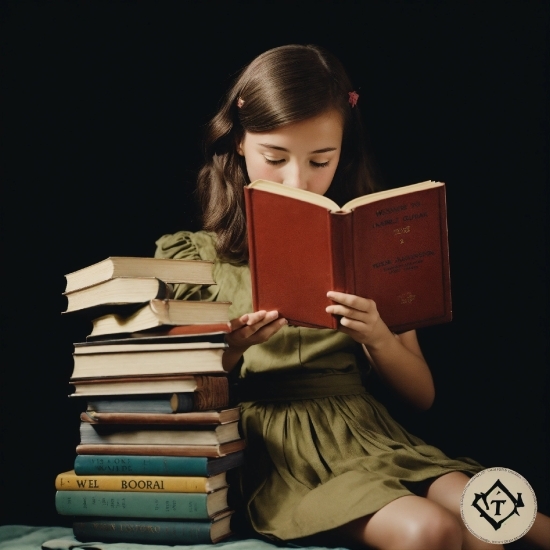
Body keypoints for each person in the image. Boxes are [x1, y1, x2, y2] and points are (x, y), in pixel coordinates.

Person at [155, 45, 550, 550]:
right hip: (281, 454)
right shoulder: (191, 258)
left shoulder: (364, 245)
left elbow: (422, 396)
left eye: (321, 160)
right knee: (433, 530)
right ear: (237, 142)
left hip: (372, 437)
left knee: (516, 525)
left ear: (344, 151)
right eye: (274, 158)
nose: (298, 180)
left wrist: (378, 338)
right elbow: (170, 394)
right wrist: (233, 347)